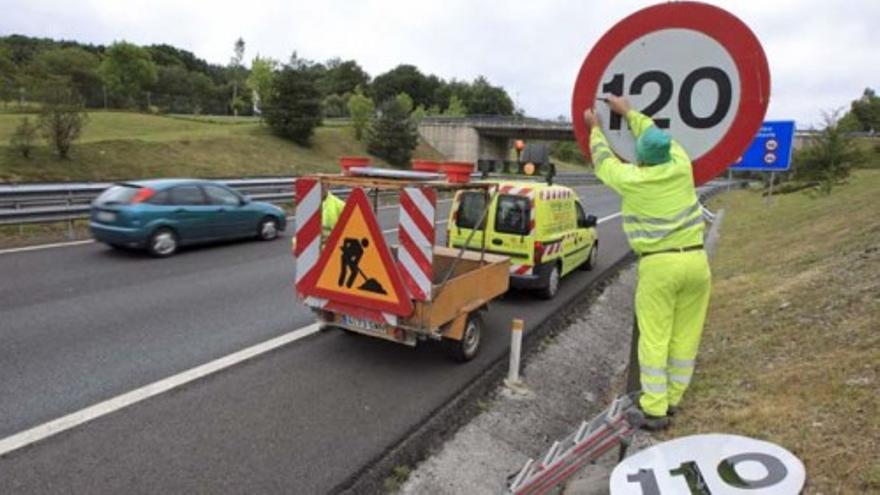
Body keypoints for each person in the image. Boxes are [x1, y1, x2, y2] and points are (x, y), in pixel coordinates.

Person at [583, 96, 712, 431]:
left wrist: (595, 128)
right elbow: (652, 130)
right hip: (697, 261)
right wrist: (629, 113)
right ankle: (673, 399)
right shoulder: (681, 164)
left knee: (655, 337)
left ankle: (654, 410)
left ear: (641, 158)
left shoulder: (632, 179)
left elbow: (602, 161)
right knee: (686, 335)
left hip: (659, 266)